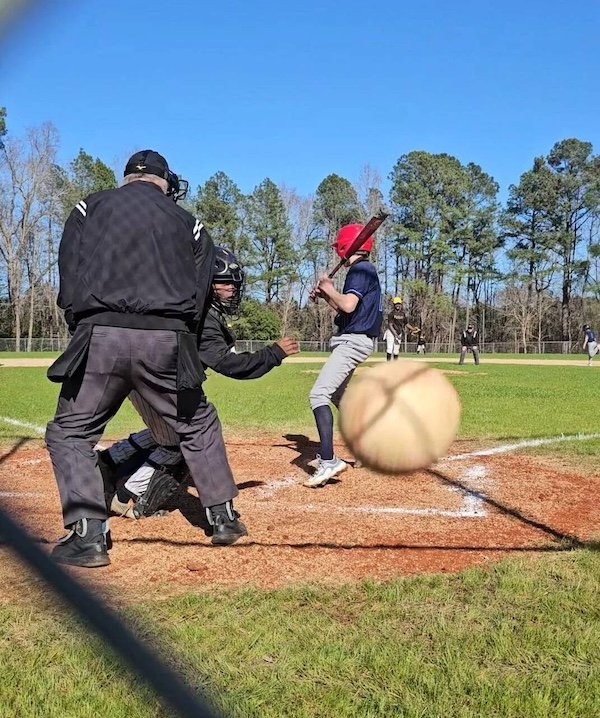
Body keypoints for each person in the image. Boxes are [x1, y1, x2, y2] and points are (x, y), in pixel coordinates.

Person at [45, 150, 244, 567]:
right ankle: (223, 519)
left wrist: (81, 318)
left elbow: (69, 268)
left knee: (71, 432)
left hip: (100, 334)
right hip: (166, 340)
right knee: (197, 422)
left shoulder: (89, 206)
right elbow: (200, 286)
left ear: (127, 179)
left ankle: (87, 535)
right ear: (161, 181)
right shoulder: (188, 221)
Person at [102, 247, 300, 520]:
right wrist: (273, 353)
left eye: (233, 282)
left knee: (169, 431)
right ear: (206, 283)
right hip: (157, 385)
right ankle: (124, 495)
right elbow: (228, 364)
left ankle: (112, 459)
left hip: (145, 382)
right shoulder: (202, 316)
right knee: (179, 442)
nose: (232, 288)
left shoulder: (187, 307)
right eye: (224, 282)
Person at [305, 223, 383, 488]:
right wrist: (328, 295)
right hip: (355, 338)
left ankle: (328, 461)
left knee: (318, 395)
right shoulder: (364, 271)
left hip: (353, 342)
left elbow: (348, 303)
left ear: (345, 245)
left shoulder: (360, 269)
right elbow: (345, 313)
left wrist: (328, 287)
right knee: (338, 395)